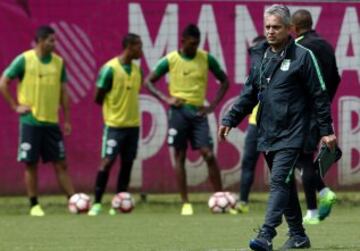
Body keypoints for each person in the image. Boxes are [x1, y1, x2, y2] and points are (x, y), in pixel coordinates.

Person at [219, 5, 336, 251]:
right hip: (267, 131)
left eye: (276, 27)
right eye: (268, 27)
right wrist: (231, 119)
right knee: (284, 184)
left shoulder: (303, 56)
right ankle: (298, 236)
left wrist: (326, 130)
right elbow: (249, 93)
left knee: (278, 182)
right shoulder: (261, 56)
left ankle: (266, 234)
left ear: (288, 29)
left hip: (295, 132)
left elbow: (319, 96)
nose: (271, 32)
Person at [145, 24, 229, 215]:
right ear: (182, 42)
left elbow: (225, 81)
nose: (195, 47)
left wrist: (212, 106)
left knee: (208, 154)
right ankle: (185, 203)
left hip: (199, 113)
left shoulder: (206, 58)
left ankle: (220, 197)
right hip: (179, 112)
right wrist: (166, 98)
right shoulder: (171, 59)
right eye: (192, 43)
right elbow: (148, 81)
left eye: (197, 43)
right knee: (180, 156)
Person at [0, 26, 75, 216]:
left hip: (51, 123)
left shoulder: (59, 63)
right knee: (31, 164)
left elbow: (64, 92)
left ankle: (74, 201)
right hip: (30, 122)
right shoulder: (24, 60)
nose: (54, 44)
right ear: (41, 41)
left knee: (61, 164)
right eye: (51, 40)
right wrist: (15, 106)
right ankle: (34, 205)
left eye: (55, 40)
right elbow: (3, 82)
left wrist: (66, 119)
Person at [292, 9, 341, 225]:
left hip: (304, 112)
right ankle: (323, 192)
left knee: (302, 159)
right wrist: (325, 101)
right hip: (320, 109)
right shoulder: (326, 45)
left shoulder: (299, 48)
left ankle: (313, 209)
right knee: (301, 159)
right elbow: (337, 78)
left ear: (293, 28)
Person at [87, 33, 143, 216]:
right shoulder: (110, 69)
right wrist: (114, 109)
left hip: (133, 126)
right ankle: (96, 203)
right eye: (138, 47)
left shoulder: (137, 71)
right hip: (114, 126)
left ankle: (118, 203)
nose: (141, 51)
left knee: (127, 164)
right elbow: (98, 97)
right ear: (129, 47)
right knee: (107, 162)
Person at [232, 35, 266, 214]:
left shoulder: (278, 69)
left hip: (274, 126)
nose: (253, 55)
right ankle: (243, 202)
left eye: (256, 50)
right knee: (248, 163)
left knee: (288, 165)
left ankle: (315, 195)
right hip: (255, 125)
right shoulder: (254, 73)